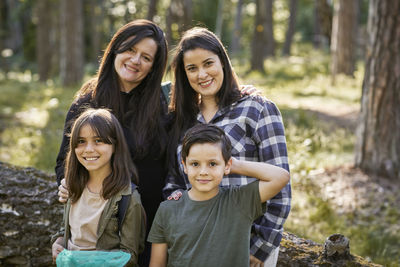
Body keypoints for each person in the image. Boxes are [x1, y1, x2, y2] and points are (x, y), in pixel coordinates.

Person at [165, 27, 291, 266]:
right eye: (192, 68)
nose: (202, 74)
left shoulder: (256, 108)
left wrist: (259, 248)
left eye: (208, 63)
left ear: (223, 62)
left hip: (247, 246)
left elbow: (282, 191)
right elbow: (173, 181)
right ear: (183, 74)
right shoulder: (181, 119)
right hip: (197, 245)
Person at [55, 19, 170, 266]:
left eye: (146, 57)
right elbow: (64, 162)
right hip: (98, 227)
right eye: (130, 49)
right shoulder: (87, 102)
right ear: (115, 49)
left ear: (153, 67)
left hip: (148, 221)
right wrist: (65, 184)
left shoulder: (160, 105)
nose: (136, 60)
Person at [148, 124, 289, 266]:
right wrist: (219, 164)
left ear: (227, 165)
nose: (203, 171)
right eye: (195, 164)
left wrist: (233, 165)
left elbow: (280, 177)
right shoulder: (167, 209)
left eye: (212, 164)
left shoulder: (239, 201)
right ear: (184, 165)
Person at [51, 108, 146, 266]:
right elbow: (66, 231)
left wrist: (83, 260)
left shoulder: (127, 198)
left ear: (115, 145)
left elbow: (130, 256)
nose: (88, 149)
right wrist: (58, 243)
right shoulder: (72, 187)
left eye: (98, 141)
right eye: (81, 141)